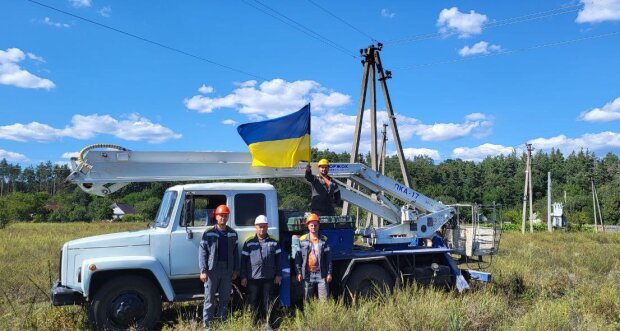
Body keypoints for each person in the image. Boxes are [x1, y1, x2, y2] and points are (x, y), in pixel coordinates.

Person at [198, 204, 239, 328]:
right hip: (211, 270)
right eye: (221, 215)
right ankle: (208, 326)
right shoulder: (208, 233)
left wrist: (236, 270)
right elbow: (202, 252)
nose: (223, 218)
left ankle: (222, 324)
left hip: (227, 270)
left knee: (225, 299)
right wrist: (203, 270)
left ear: (228, 218)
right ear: (216, 217)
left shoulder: (233, 233)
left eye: (225, 216)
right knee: (209, 299)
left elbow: (235, 253)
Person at [240, 215, 282, 327]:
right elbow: (243, 261)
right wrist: (243, 276)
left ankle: (268, 324)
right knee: (253, 302)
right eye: (260, 227)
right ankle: (254, 324)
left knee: (268, 302)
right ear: (256, 227)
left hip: (269, 278)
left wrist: (278, 274)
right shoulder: (249, 242)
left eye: (264, 226)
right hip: (253, 278)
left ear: (267, 227)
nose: (262, 229)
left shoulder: (274, 241)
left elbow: (279, 260)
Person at [295, 213, 332, 300]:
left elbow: (328, 258)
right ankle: (309, 314)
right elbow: (298, 258)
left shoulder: (324, 240)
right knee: (308, 300)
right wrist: (299, 272)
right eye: (311, 225)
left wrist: (329, 273)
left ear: (318, 226)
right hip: (308, 274)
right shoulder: (302, 240)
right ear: (308, 226)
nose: (313, 227)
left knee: (324, 301)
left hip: (322, 274)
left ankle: (323, 314)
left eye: (315, 225)